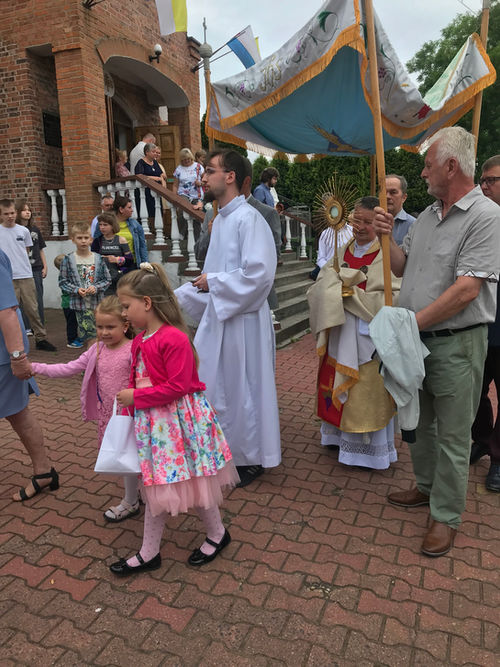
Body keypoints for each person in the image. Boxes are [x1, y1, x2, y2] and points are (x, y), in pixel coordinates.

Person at [373, 127, 500, 557]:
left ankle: (445, 515)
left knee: (453, 434)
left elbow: (467, 290)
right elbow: (401, 267)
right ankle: (426, 487)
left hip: (456, 343)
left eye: (428, 165)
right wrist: (385, 237)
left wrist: (410, 325)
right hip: (419, 339)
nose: (423, 172)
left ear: (451, 166)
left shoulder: (486, 216)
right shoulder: (427, 215)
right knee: (419, 424)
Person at [108, 262, 238, 576]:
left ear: (146, 303)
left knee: (191, 482)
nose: (123, 314)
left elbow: (178, 387)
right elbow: (140, 376)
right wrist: (133, 402)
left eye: (126, 306)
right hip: (156, 425)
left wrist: (136, 398)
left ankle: (214, 535)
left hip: (179, 424)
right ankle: (153, 550)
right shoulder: (140, 339)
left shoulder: (174, 338)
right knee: (159, 484)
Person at [176, 149, 281, 488]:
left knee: (244, 388)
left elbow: (260, 276)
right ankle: (222, 450)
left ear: (230, 176)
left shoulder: (249, 219)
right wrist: (175, 296)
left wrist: (214, 282)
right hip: (221, 316)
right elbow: (212, 276)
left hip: (244, 322)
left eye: (209, 171)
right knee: (217, 386)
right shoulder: (220, 219)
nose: (203, 178)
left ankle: (250, 458)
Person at [308, 197, 400, 469]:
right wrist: (332, 292)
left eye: (367, 222)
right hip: (339, 330)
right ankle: (336, 436)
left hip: (366, 337)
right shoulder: (343, 249)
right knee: (334, 382)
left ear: (379, 224)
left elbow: (394, 296)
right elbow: (322, 281)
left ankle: (368, 450)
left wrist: (355, 297)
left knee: (365, 390)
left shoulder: (387, 254)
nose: (360, 227)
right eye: (356, 220)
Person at [30, 296, 140, 522]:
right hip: (110, 416)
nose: (104, 332)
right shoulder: (96, 350)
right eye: (100, 327)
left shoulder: (134, 349)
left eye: (110, 327)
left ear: (125, 325)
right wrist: (36, 367)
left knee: (134, 454)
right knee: (125, 455)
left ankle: (132, 500)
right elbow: (69, 368)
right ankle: (135, 496)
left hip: (134, 414)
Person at [0, 248, 58, 502]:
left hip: (3, 355)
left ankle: (43, 472)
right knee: (18, 414)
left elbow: (6, 310)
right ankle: (44, 472)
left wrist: (18, 357)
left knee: (18, 413)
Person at [195, 157, 281, 312]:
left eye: (210, 172)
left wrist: (218, 282)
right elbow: (200, 254)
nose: (204, 179)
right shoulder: (213, 214)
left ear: (236, 179)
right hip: (217, 302)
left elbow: (269, 259)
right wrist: (210, 233)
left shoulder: (260, 214)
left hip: (251, 303)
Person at [470, 154, 500, 492]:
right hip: (478, 322)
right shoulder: (478, 220)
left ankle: (499, 458)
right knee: (474, 391)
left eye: (492, 180)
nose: (484, 185)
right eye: (483, 180)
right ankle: (481, 438)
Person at [0, 198, 56, 351]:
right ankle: (11, 342)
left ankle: (41, 338)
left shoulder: (24, 231)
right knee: (9, 311)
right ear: (1, 215)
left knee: (32, 309)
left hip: (25, 275)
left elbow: (26, 251)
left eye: (12, 213)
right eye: (6, 214)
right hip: (7, 278)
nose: (10, 216)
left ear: (16, 213)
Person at [58, 223, 111, 344]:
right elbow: (62, 281)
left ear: (91, 239)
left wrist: (96, 287)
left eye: (86, 238)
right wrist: (76, 289)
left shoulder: (98, 259)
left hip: (97, 304)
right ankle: (91, 356)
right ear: (73, 239)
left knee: (101, 336)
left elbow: (107, 279)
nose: (83, 241)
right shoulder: (68, 260)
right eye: (79, 238)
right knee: (89, 338)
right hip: (79, 305)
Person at [15, 199, 47, 329]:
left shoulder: (35, 230)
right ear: (18, 212)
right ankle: (27, 327)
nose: (27, 212)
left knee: (38, 298)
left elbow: (40, 249)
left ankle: (39, 326)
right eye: (24, 210)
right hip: (22, 269)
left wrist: (45, 266)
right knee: (23, 300)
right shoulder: (16, 230)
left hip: (36, 268)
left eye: (29, 210)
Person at [93, 195, 148, 266]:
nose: (132, 210)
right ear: (121, 209)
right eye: (129, 207)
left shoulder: (135, 224)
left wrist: (145, 263)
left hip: (131, 264)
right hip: (110, 265)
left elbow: (142, 246)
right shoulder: (105, 223)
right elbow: (96, 244)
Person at [91, 211, 135, 294]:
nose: (102, 227)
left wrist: (117, 259)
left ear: (113, 225)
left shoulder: (121, 240)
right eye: (100, 225)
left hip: (119, 278)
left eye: (105, 225)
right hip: (103, 280)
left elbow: (130, 261)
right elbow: (91, 259)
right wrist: (102, 259)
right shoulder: (97, 241)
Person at [54, 254, 81, 349]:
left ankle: (76, 337)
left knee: (75, 322)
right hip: (69, 304)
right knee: (71, 323)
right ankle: (71, 340)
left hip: (74, 303)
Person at [134, 143, 166, 219]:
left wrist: (162, 181)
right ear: (147, 152)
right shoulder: (141, 163)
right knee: (147, 214)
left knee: (157, 213)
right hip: (145, 192)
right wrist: (156, 178)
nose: (155, 154)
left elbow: (161, 174)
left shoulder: (155, 162)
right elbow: (140, 176)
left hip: (156, 191)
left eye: (156, 152)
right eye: (153, 152)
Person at [384, 174, 416, 247]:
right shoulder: (371, 222)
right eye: (384, 192)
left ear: (404, 197)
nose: (387, 196)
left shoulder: (413, 225)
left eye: (393, 192)